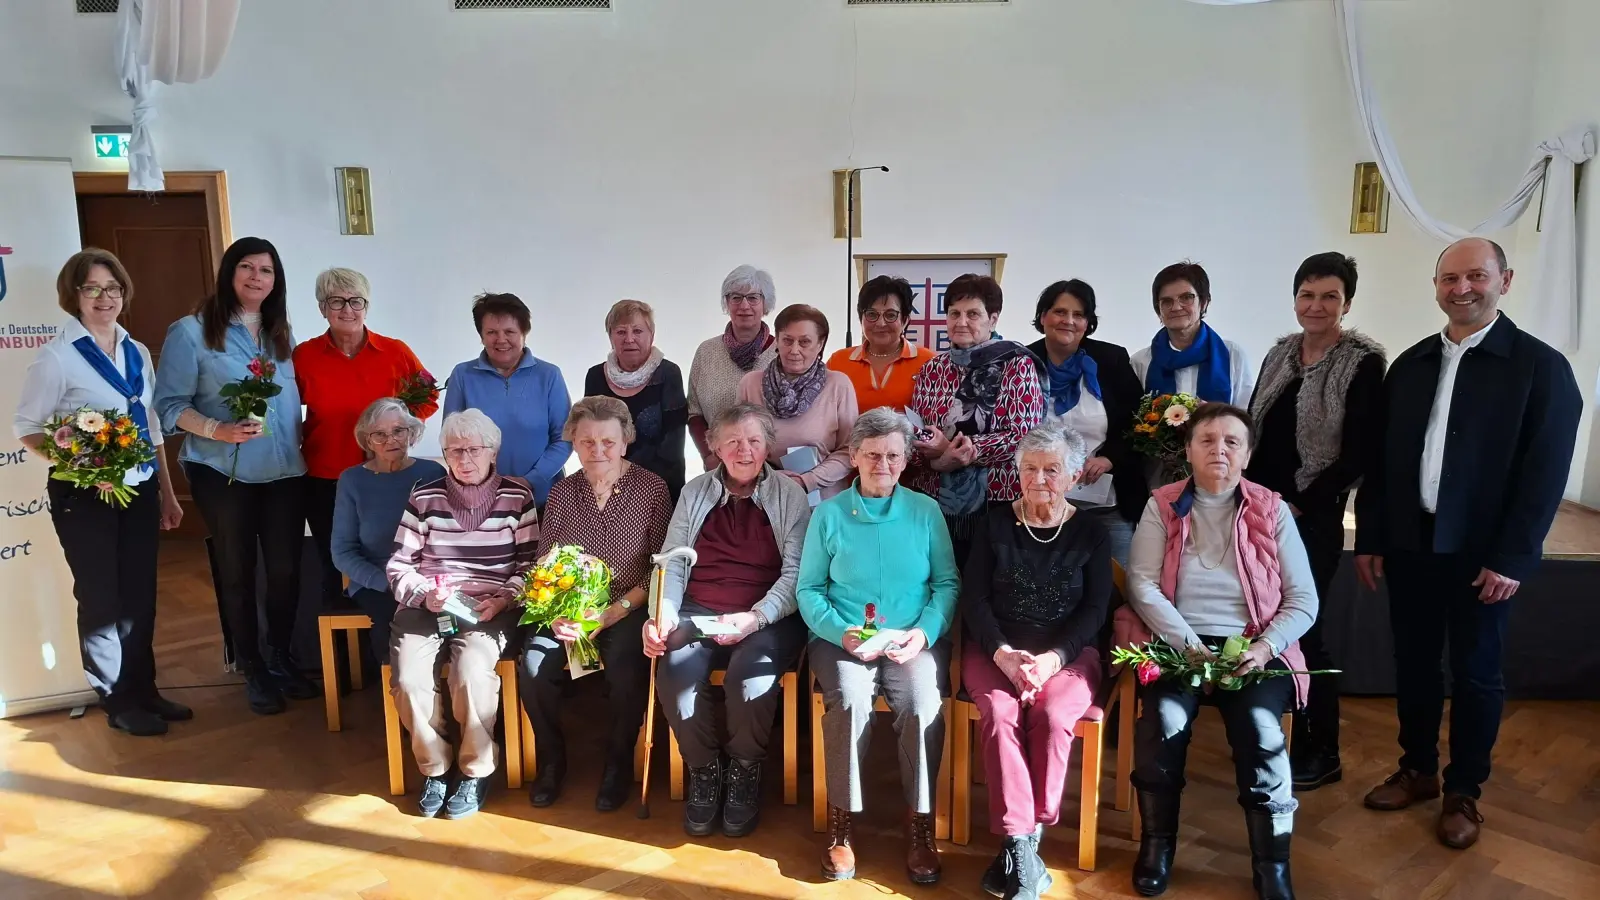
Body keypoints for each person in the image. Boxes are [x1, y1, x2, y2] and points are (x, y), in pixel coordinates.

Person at [1355, 237, 1581, 851]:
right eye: (1450, 278)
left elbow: (1545, 474)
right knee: (1415, 662)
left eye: (1476, 276)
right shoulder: (1412, 364)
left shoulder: (1542, 368)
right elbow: (1385, 462)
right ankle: (1419, 769)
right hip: (1411, 542)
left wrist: (1513, 555)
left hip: (1483, 553)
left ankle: (1465, 791)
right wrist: (1373, 535)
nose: (1462, 288)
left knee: (1477, 672)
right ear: (1436, 286)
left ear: (1504, 281)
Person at [1122, 403, 1317, 900]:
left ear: (1248, 455)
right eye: (1207, 440)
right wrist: (1188, 647)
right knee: (1162, 724)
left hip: (1253, 645)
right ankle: (1157, 845)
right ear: (1187, 450)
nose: (1219, 451)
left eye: (1232, 442)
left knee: (1260, 731)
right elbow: (1143, 586)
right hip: (1177, 641)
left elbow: (1303, 599)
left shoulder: (1271, 508)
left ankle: (1271, 864)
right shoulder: (1161, 503)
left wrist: (1264, 647)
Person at [12, 249, 186, 736]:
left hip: (139, 488)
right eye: (93, 289)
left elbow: (150, 429)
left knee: (139, 596)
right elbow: (27, 427)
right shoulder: (57, 356)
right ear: (74, 296)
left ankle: (144, 688)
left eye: (113, 288)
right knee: (102, 598)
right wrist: (87, 467)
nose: (104, 298)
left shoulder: (136, 351)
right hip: (82, 496)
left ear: (124, 293)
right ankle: (117, 699)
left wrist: (167, 495)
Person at [153, 236, 316, 716]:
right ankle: (252, 666)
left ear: (275, 281)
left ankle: (281, 657)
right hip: (223, 473)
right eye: (246, 267)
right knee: (238, 569)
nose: (256, 278)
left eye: (266, 271)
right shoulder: (191, 332)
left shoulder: (280, 333)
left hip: (286, 471)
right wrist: (216, 429)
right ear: (228, 274)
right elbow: (167, 406)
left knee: (285, 570)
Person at [798, 407, 960, 886]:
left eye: (893, 455)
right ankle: (841, 826)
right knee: (848, 700)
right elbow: (808, 590)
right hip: (842, 638)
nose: (882, 464)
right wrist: (839, 632)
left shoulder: (925, 512)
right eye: (872, 454)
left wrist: (923, 634)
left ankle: (920, 825)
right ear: (853, 456)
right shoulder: (828, 514)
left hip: (912, 639)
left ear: (907, 459)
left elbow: (948, 583)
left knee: (923, 703)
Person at [1246, 252, 1385, 792]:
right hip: (1260, 513)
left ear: (1347, 303)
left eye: (1329, 296)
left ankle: (1321, 745)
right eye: (1308, 295)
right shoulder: (1281, 352)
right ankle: (1266, 731)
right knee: (1263, 620)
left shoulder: (1363, 362)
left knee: (1308, 628)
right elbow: (1256, 427)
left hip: (1312, 520)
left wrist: (1303, 502)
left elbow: (1360, 454)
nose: (1317, 305)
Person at [644, 403, 810, 839]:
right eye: (733, 441)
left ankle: (744, 773)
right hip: (699, 609)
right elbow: (671, 563)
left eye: (754, 441)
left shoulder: (789, 495)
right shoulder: (695, 491)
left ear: (767, 446)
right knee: (675, 676)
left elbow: (796, 574)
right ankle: (704, 769)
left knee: (747, 681)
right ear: (714, 446)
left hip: (766, 614)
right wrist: (661, 612)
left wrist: (755, 618)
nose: (744, 450)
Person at [962, 422, 1111, 900]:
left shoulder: (1091, 530)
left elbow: (1095, 611)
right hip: (996, 647)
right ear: (1017, 473)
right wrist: (1004, 654)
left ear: (1072, 477)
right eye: (1029, 469)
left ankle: (1022, 836)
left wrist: (1051, 660)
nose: (1039, 479)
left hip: (1067, 652)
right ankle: (1024, 845)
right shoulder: (994, 522)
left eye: (1052, 470)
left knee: (1050, 713)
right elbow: (975, 600)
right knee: (1001, 714)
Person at [520, 396, 672, 813]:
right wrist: (557, 614)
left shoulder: (652, 489)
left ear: (626, 442)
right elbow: (544, 561)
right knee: (533, 668)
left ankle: (619, 761)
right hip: (568, 611)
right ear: (574, 444)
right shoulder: (563, 491)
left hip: (626, 606)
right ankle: (552, 761)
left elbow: (658, 568)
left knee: (625, 664)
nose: (597, 450)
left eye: (608, 441)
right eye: (587, 442)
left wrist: (613, 612)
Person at [387, 409, 539, 820]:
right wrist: (424, 594)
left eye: (473, 449)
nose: (464, 459)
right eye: (454, 450)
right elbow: (399, 565)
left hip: (491, 606)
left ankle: (476, 769)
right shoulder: (424, 497)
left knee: (471, 672)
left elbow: (530, 567)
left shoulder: (516, 496)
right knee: (407, 679)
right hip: (429, 605)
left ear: (493, 452)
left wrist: (504, 600)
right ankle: (435, 767)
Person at [295, 267, 437, 610]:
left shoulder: (395, 352)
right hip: (326, 474)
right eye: (336, 301)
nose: (347, 309)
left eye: (355, 301)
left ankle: (391, 626)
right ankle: (342, 656)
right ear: (321, 308)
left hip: (389, 475)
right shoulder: (304, 356)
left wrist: (396, 435)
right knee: (334, 563)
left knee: (394, 552)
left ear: (366, 305)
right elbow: (284, 410)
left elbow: (427, 397)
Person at [907, 273, 1045, 565]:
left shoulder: (1016, 365)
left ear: (993, 319)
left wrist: (958, 452)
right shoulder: (933, 368)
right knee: (939, 581)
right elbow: (918, 432)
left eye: (973, 314)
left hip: (999, 501)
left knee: (986, 586)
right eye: (954, 313)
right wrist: (934, 457)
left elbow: (1024, 435)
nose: (961, 322)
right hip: (934, 498)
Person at [1026, 278, 1147, 567]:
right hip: (1042, 503)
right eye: (1059, 312)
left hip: (1106, 502)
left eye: (1078, 314)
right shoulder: (1024, 362)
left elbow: (1138, 422)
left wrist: (1110, 458)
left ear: (1088, 322)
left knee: (1118, 589)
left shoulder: (1111, 360)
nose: (1068, 321)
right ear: (1043, 317)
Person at [329, 398, 445, 665]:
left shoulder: (432, 473)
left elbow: (446, 535)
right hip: (377, 581)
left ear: (411, 434)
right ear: (367, 441)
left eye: (398, 431)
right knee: (396, 626)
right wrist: (389, 582)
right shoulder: (352, 480)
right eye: (379, 434)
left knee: (450, 623)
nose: (390, 440)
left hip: (427, 577)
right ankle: (402, 696)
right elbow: (342, 551)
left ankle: (443, 692)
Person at [442, 293, 571, 507]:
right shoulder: (463, 375)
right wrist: (483, 484)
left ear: (524, 333)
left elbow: (564, 439)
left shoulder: (549, 375)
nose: (501, 340)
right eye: (491, 332)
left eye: (510, 331)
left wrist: (529, 481)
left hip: (542, 500)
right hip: (481, 501)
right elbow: (450, 440)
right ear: (481, 336)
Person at [737, 304, 859, 499]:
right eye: (787, 340)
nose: (794, 350)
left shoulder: (838, 385)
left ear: (820, 344)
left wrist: (806, 481)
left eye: (804, 342)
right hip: (763, 495)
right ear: (777, 340)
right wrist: (769, 477)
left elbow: (851, 450)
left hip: (823, 501)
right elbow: (738, 446)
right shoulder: (751, 384)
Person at [583, 299, 688, 501]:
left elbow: (673, 445)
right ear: (611, 337)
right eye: (621, 332)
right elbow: (590, 435)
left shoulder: (668, 373)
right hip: (606, 489)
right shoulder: (595, 376)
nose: (629, 339)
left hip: (661, 489)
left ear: (652, 336)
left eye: (638, 331)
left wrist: (633, 485)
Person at [686, 265, 778, 469]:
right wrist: (709, 455)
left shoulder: (782, 352)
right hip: (718, 464)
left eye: (753, 297)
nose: (744, 305)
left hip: (772, 467)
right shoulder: (706, 352)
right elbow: (694, 413)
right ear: (726, 303)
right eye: (735, 297)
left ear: (765, 304)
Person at [1131, 261, 1255, 408]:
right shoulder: (1140, 362)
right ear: (1158, 309)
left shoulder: (1231, 354)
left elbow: (1245, 416)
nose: (1176, 307)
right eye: (1167, 301)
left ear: (1203, 303)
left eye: (1186, 297)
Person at [827, 275, 936, 412]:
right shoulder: (838, 362)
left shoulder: (929, 362)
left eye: (890, 315)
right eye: (872, 314)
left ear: (905, 320)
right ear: (861, 318)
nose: (880, 323)